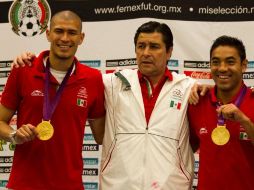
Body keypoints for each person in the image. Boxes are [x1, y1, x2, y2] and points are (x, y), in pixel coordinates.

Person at [13, 21, 196, 190]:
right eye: (141, 46)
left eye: (154, 47)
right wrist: (33, 61)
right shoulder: (111, 82)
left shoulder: (189, 88)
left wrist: (204, 88)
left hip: (171, 186)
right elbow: (67, 76)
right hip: (118, 185)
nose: (146, 53)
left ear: (170, 51)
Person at [0, 10, 105, 190]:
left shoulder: (93, 78)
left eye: (71, 32)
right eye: (58, 31)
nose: (64, 38)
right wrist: (13, 136)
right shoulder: (23, 70)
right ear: (48, 34)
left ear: (81, 38)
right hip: (24, 184)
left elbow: (101, 136)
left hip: (69, 185)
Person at [187, 35, 254, 190]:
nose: (222, 68)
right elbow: (184, 149)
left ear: (243, 65)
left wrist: (244, 121)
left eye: (230, 62)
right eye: (216, 62)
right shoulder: (197, 102)